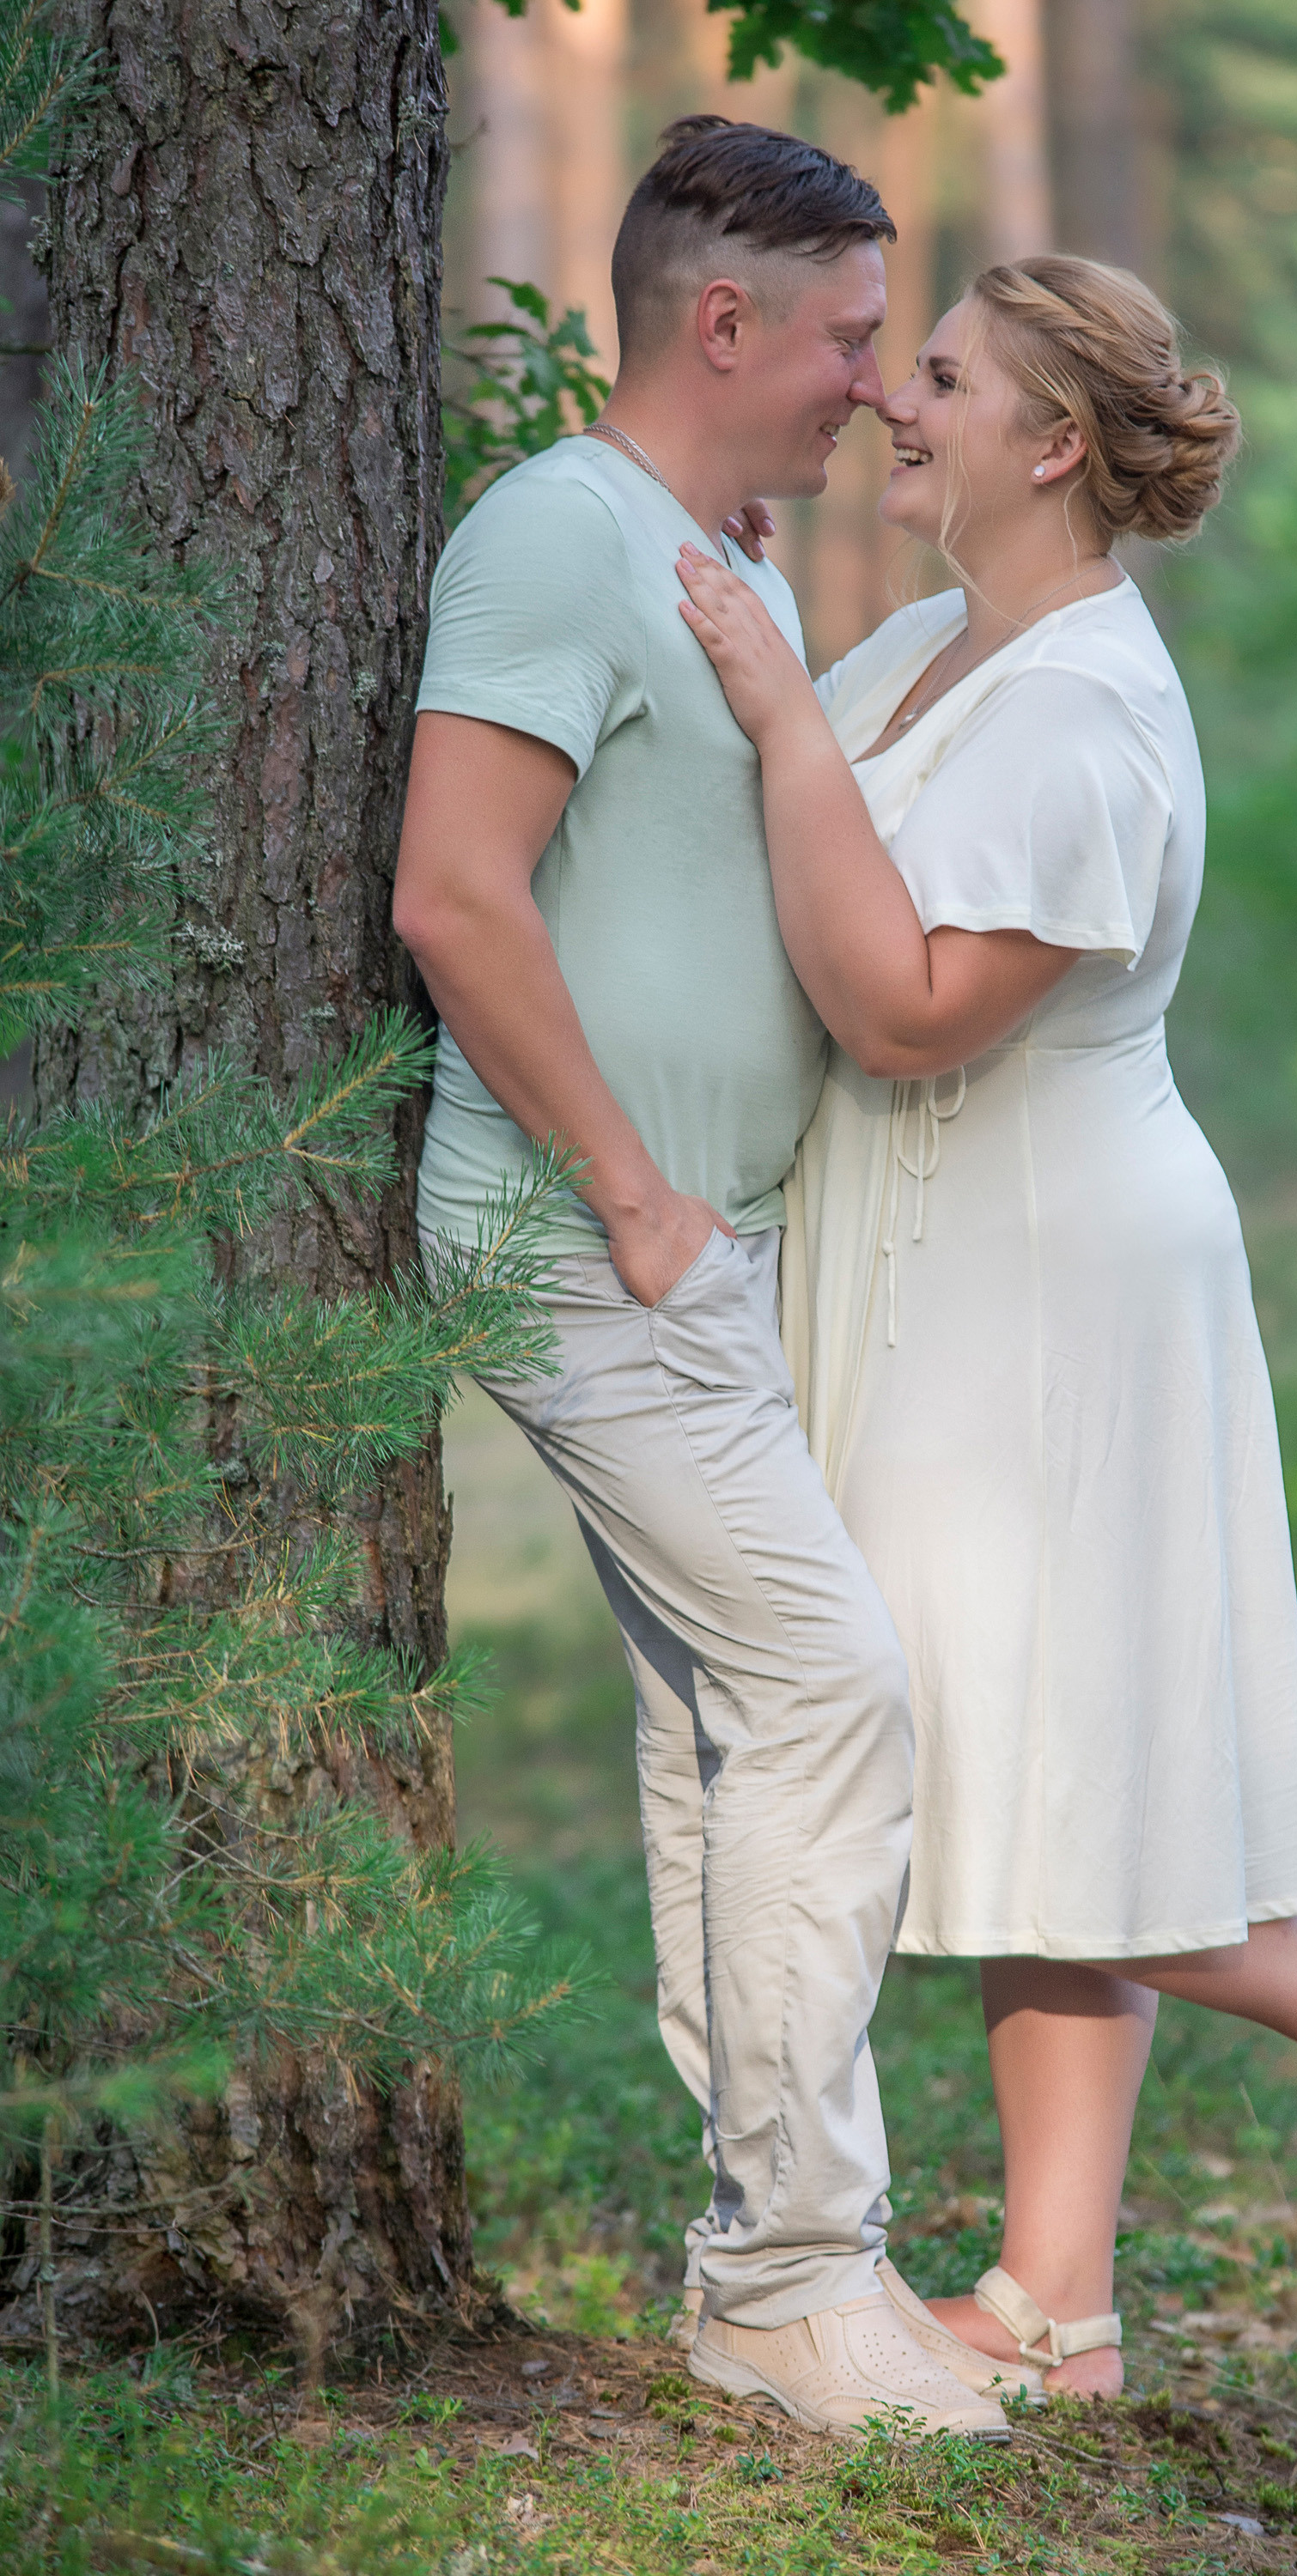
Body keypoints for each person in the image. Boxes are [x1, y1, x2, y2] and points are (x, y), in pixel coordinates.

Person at [673, 252, 1297, 2402]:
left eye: (949, 376)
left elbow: (906, 1014)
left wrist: (780, 711)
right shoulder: (933, 645)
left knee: (1033, 1766)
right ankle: (1057, 2309)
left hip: (1054, 1280)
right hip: (943, 1271)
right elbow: (814, 854)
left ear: (1051, 443)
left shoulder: (1088, 703)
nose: (903, 401)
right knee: (1011, 1767)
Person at [393, 116, 1017, 2440]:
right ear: (723, 325)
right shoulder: (560, 536)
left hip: (694, 1251)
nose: (877, 385)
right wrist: (642, 1196)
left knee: (728, 1741)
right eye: (855, 336)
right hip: (593, 1245)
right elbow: (458, 896)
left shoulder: (683, 546)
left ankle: (762, 2280)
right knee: (835, 1692)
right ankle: (792, 2271)